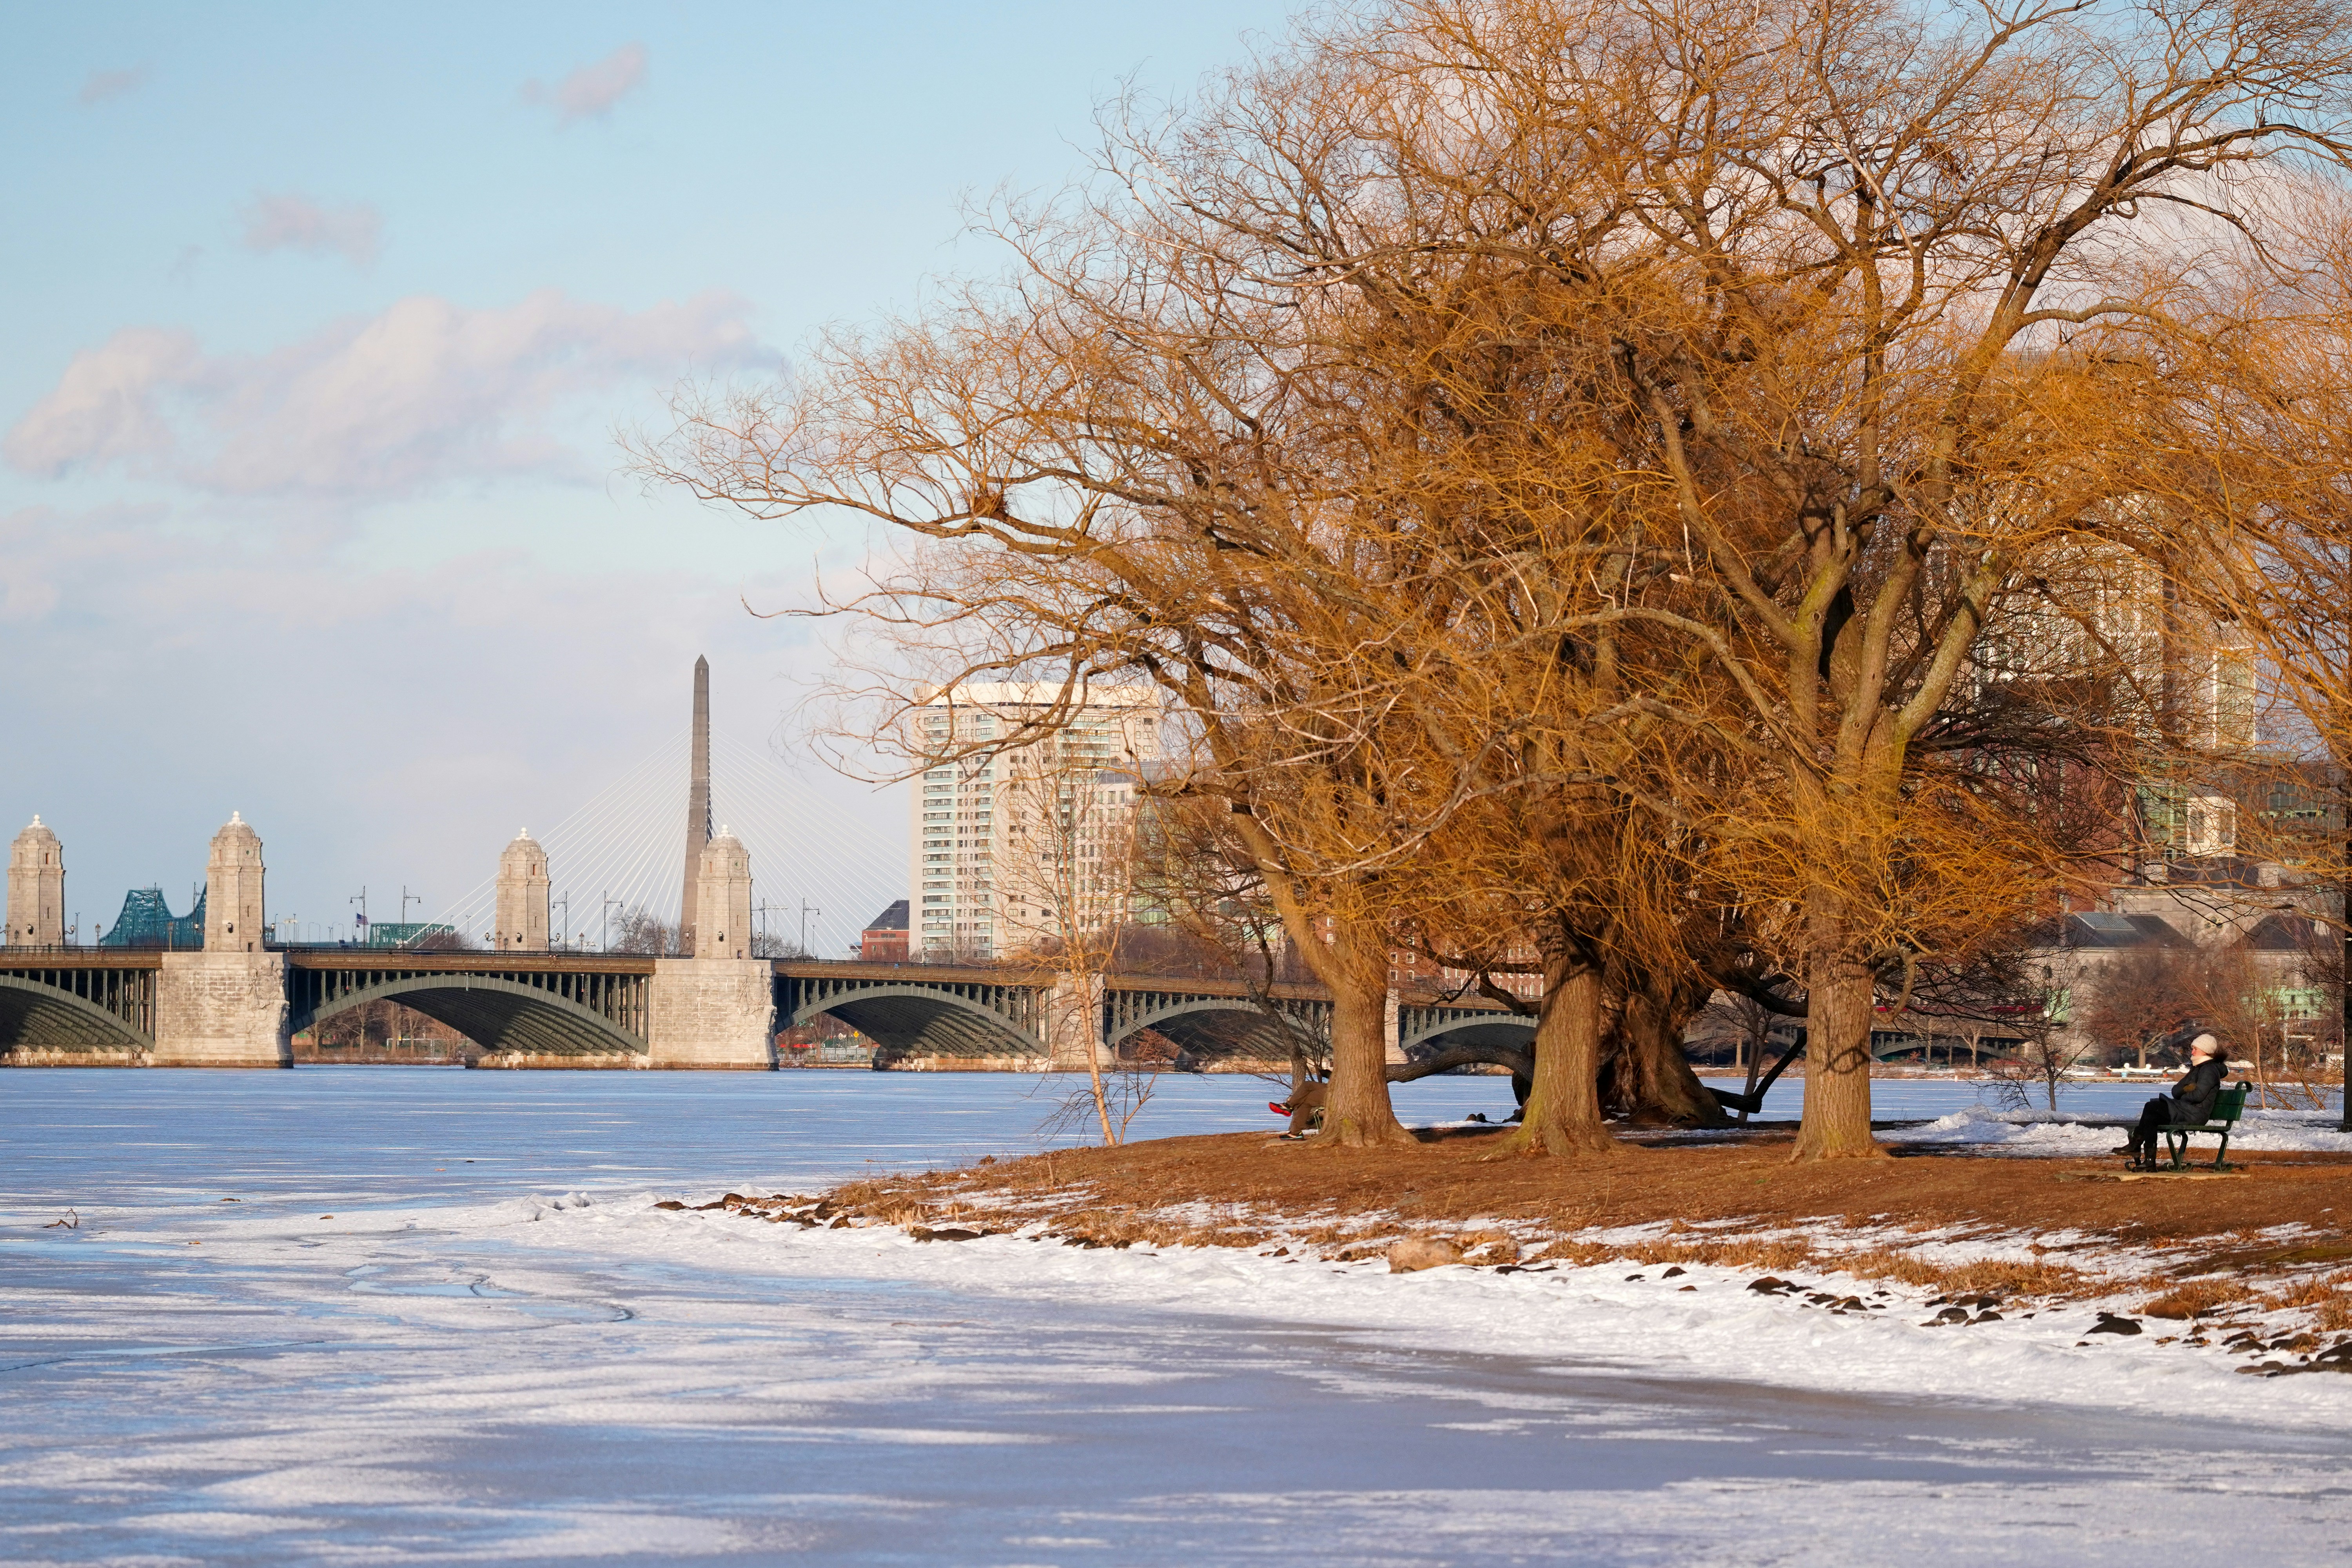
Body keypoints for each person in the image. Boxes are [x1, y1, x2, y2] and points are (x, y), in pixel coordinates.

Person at [2114, 1033, 2230, 1166]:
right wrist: (2187, 1089)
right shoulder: (2198, 1068)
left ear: (2206, 1051)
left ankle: (2137, 1148)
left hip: (2195, 1114)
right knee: (2152, 1112)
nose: (2192, 1052)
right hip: (2187, 1110)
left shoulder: (2209, 1070)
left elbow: (2198, 1096)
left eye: (2195, 1049)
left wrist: (2186, 1093)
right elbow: (2176, 1092)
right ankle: (2148, 1161)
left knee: (2152, 1108)